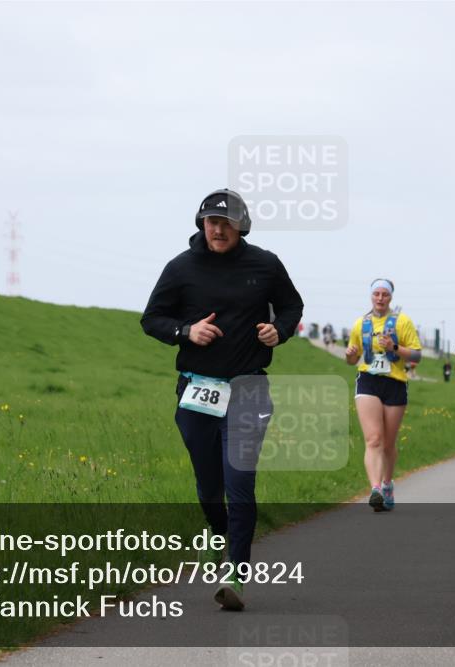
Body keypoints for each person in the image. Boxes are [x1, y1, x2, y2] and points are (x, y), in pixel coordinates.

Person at [140, 188, 304, 611]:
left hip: (249, 388)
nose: (217, 229)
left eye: (226, 222)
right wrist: (185, 331)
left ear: (241, 226)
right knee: (209, 484)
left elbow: (291, 306)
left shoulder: (265, 264)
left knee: (240, 483)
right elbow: (152, 318)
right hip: (197, 390)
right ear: (201, 224)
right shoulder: (181, 268)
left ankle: (235, 574)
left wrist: (278, 331)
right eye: (210, 221)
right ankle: (216, 528)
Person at [346, 279, 422, 511]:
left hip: (395, 383)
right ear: (371, 296)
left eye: (384, 295)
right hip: (368, 380)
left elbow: (417, 356)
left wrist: (395, 348)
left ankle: (387, 484)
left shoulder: (402, 321)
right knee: (374, 439)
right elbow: (351, 359)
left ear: (391, 297)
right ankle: (375, 488)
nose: (380, 298)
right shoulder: (361, 323)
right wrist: (350, 354)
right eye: (376, 294)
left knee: (388, 443)